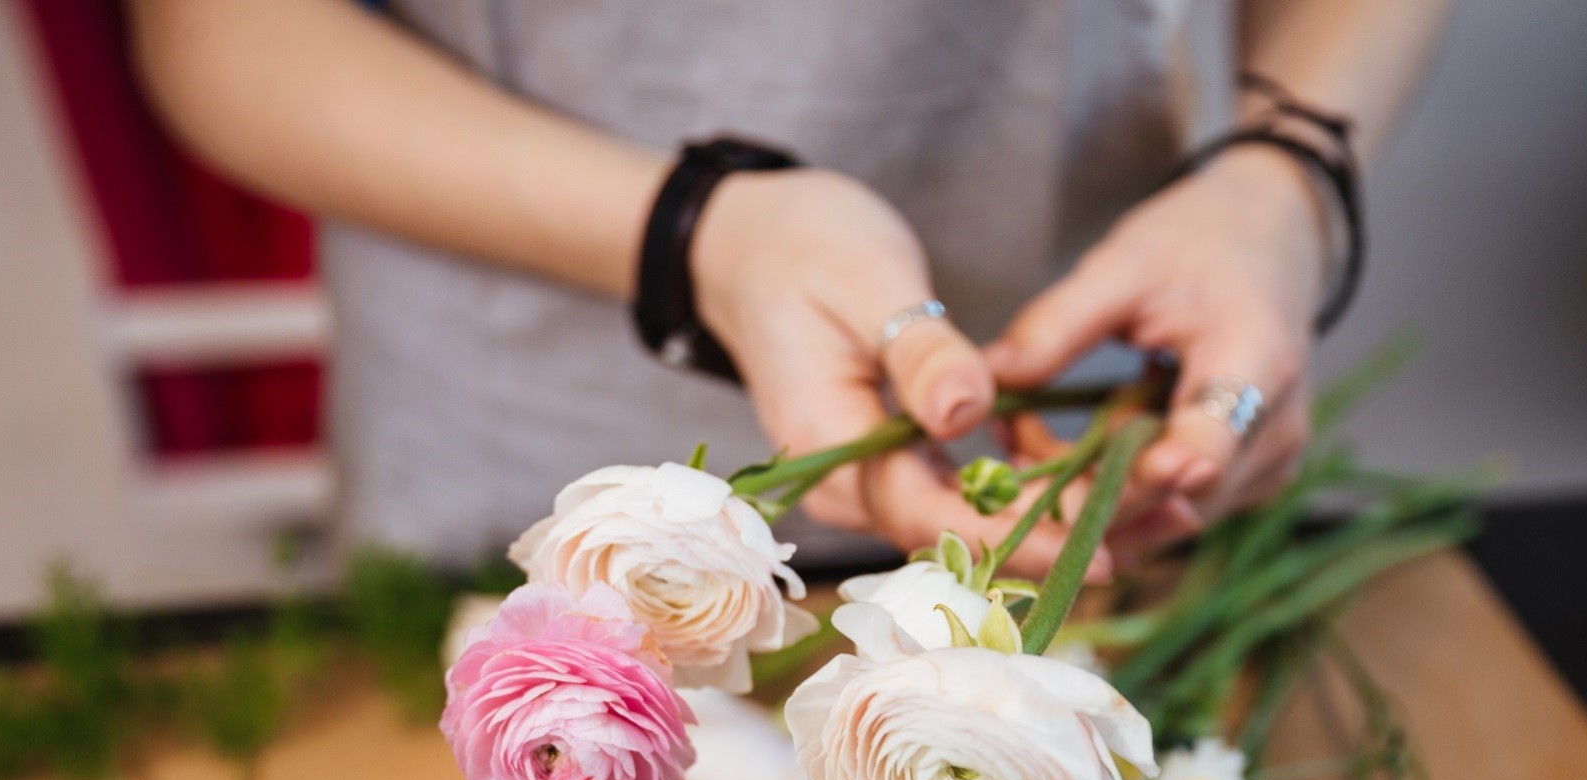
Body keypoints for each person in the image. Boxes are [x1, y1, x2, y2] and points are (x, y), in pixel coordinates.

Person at [128, 0, 1451, 573]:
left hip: (1085, 427)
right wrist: (695, 235)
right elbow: (214, 30)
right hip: (522, 470)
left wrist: (1284, 182)